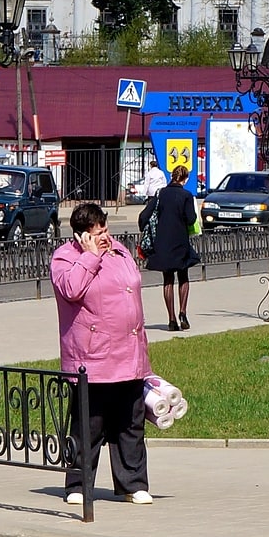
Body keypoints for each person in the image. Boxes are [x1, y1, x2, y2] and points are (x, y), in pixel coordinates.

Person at [52, 202, 152, 505]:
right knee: (89, 426)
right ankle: (79, 484)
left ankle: (133, 484)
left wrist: (105, 250)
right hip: (92, 358)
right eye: (98, 234)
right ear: (82, 236)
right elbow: (71, 290)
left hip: (129, 353)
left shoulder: (118, 252)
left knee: (130, 423)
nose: (105, 237)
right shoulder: (65, 259)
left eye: (106, 230)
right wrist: (91, 256)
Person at [139, 164, 200, 330]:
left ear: (172, 176)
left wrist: (146, 231)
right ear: (185, 179)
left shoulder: (160, 194)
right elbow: (190, 219)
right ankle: (183, 312)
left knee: (167, 279)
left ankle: (171, 319)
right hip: (180, 240)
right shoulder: (186, 195)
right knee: (183, 277)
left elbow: (144, 216)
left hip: (163, 242)